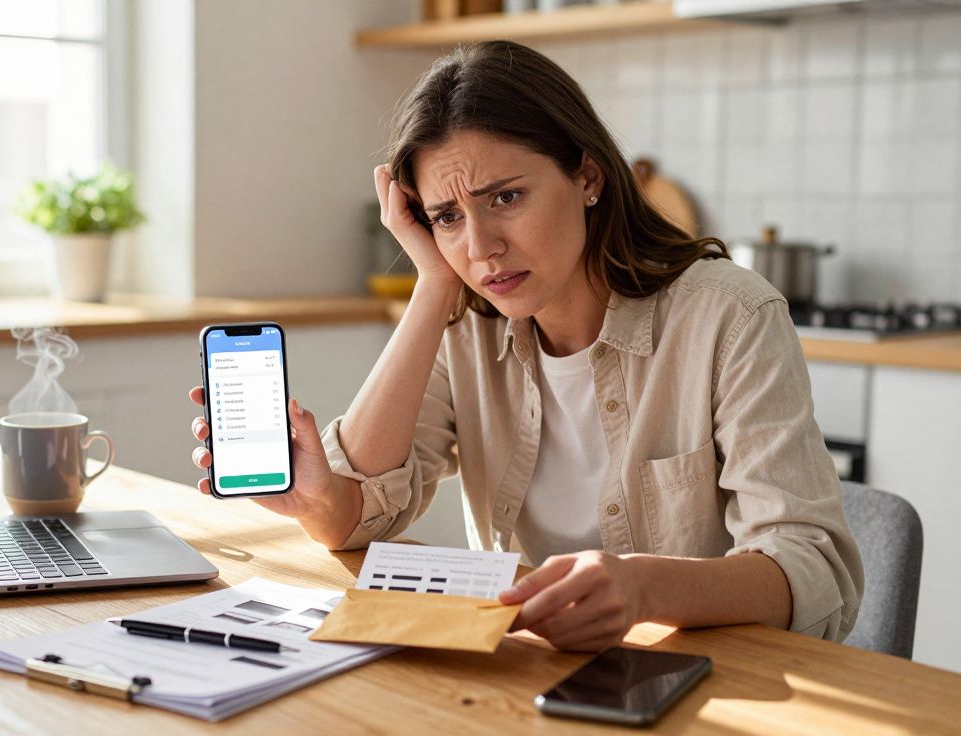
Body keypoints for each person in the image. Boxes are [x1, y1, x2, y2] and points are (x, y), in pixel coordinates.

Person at [188, 40, 862, 651]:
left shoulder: (731, 315)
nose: (480, 248)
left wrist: (643, 587)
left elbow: (812, 565)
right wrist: (430, 284)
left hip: (699, 680)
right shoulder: (465, 320)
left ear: (588, 177)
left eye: (505, 197)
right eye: (446, 217)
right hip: (521, 676)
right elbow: (354, 514)